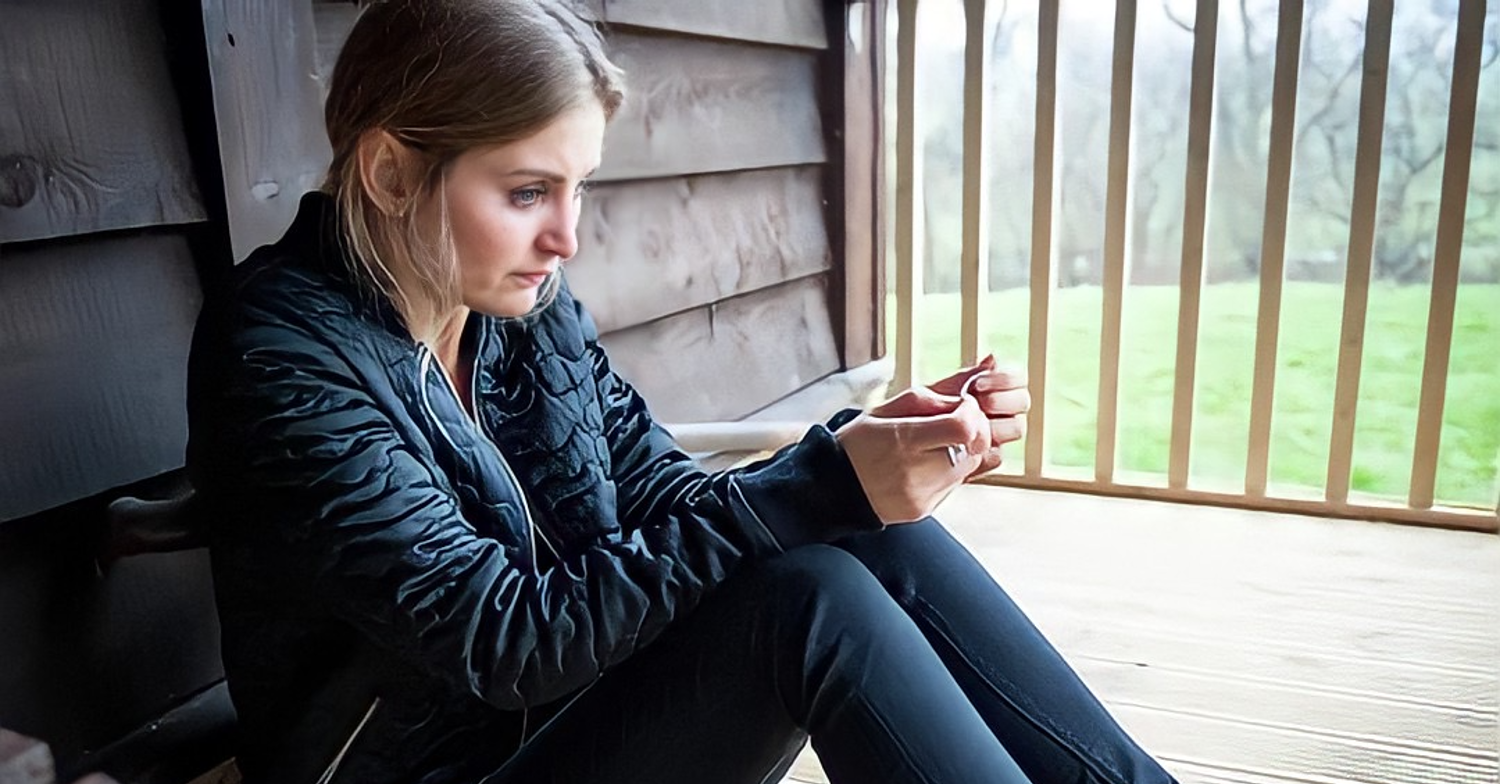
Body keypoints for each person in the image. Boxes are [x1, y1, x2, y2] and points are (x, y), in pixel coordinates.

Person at [185, 2, 1179, 782]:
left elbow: (667, 496)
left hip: (577, 720)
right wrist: (821, 486)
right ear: (394, 171)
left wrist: (859, 454)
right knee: (810, 597)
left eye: (578, 189)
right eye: (528, 192)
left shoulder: (515, 308)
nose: (566, 239)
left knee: (869, 531)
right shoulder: (280, 358)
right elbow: (506, 640)